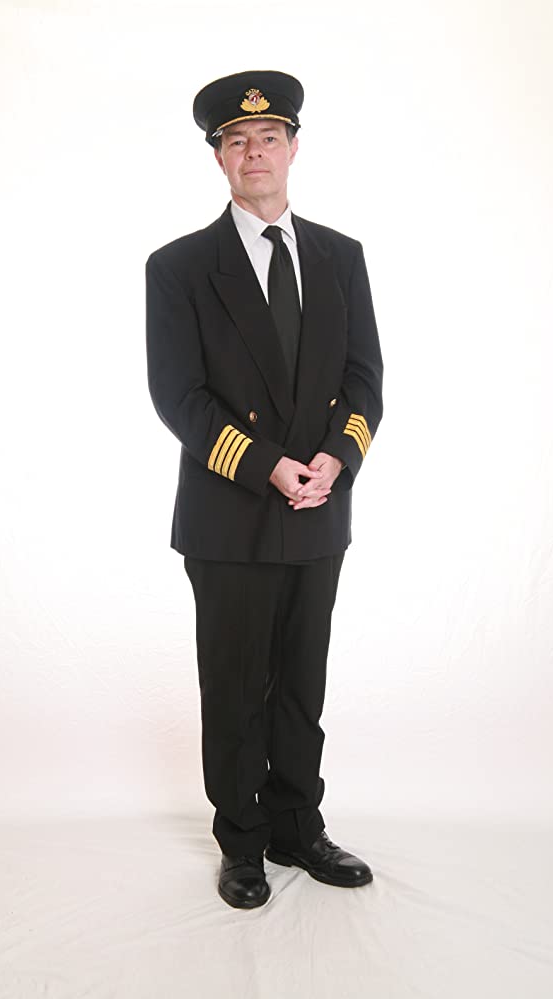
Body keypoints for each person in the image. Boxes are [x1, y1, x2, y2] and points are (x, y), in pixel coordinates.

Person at [145, 70, 384, 908]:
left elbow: (364, 380)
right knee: (237, 686)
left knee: (301, 684)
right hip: (230, 512)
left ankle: (297, 827)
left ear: (293, 148)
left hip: (318, 506)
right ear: (219, 158)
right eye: (237, 140)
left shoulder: (342, 256)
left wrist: (337, 460)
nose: (255, 152)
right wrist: (267, 464)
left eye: (269, 137)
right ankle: (242, 842)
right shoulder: (179, 267)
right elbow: (178, 396)